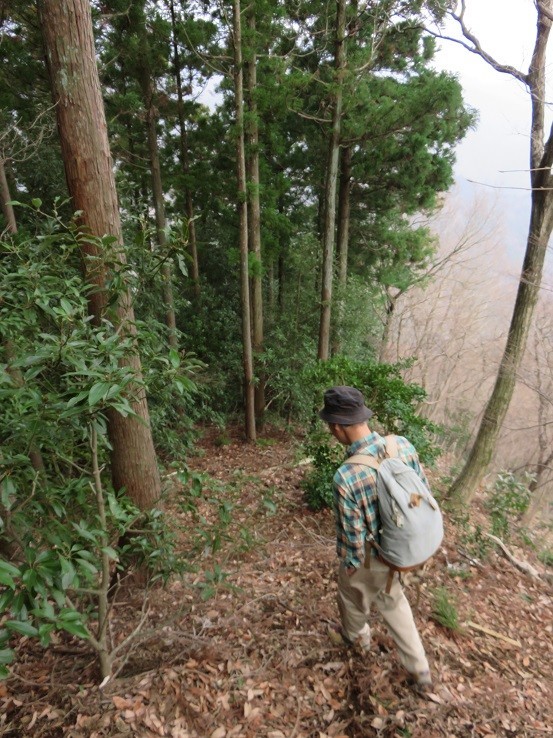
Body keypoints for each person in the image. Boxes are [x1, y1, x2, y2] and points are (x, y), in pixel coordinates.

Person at [319, 385, 432, 692]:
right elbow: (422, 491)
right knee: (394, 600)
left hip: (376, 555)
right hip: (408, 548)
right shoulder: (402, 445)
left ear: (338, 427)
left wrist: (352, 567)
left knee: (350, 594)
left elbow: (353, 542)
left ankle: (356, 639)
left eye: (331, 426)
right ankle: (419, 668)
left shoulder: (346, 475)